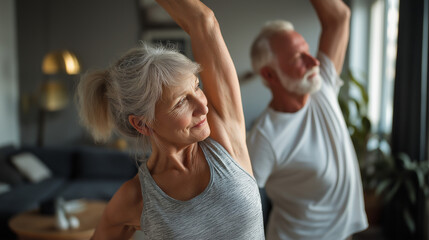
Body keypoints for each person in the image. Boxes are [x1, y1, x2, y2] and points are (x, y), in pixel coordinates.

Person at [76, 0, 265, 239]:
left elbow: (204, 21)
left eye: (196, 87)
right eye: (180, 103)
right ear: (142, 123)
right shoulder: (136, 197)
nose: (202, 106)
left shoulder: (224, 135)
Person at [247, 0, 368, 239]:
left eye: (308, 51)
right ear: (269, 74)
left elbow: (339, 17)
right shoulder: (265, 137)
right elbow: (237, 202)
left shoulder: (321, 86)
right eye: (297, 59)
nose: (313, 62)